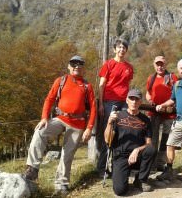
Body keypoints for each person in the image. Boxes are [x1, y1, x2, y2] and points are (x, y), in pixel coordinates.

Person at [23, 55, 97, 196]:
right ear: (69, 66)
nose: (76, 66)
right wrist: (44, 117)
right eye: (73, 64)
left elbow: (93, 108)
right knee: (40, 131)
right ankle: (32, 169)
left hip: (78, 123)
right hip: (61, 118)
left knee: (67, 154)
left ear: (83, 68)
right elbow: (49, 99)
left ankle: (61, 184)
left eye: (80, 64)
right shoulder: (61, 81)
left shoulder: (87, 86)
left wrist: (89, 128)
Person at [105, 89, 156, 195]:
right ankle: (123, 174)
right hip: (121, 156)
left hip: (138, 156)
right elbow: (107, 140)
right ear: (126, 100)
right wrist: (109, 123)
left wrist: (137, 150)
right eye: (131, 99)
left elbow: (148, 143)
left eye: (137, 99)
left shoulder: (146, 120)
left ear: (140, 102)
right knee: (120, 191)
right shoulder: (117, 116)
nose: (134, 102)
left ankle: (140, 180)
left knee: (151, 150)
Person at [97, 39, 133, 177]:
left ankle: (120, 166)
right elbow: (102, 85)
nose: (121, 50)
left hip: (124, 103)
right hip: (109, 102)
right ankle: (102, 168)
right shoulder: (108, 64)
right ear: (114, 49)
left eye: (124, 47)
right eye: (119, 47)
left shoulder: (129, 67)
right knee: (108, 134)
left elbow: (127, 85)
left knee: (123, 133)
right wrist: (101, 104)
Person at [145, 56, 178, 171]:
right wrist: (150, 101)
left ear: (165, 64)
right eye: (157, 64)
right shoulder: (151, 78)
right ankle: (152, 164)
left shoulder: (173, 77)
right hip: (154, 113)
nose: (160, 66)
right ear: (154, 65)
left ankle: (160, 163)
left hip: (169, 113)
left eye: (162, 64)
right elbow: (148, 93)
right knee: (153, 138)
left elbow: (177, 93)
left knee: (166, 139)